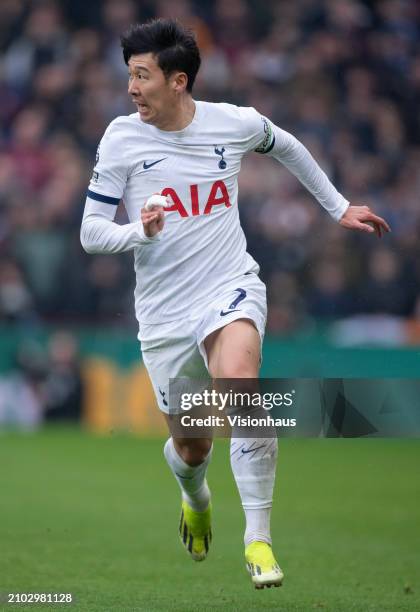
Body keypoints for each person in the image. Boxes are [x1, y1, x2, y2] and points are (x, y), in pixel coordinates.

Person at [80, 18, 390, 589]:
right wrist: (138, 234)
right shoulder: (122, 138)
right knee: (192, 447)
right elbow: (91, 232)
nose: (131, 88)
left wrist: (337, 206)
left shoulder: (234, 123)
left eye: (142, 75)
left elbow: (288, 145)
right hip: (165, 314)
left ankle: (259, 540)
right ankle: (194, 495)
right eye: (129, 75)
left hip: (229, 285)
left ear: (178, 81)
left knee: (241, 389)